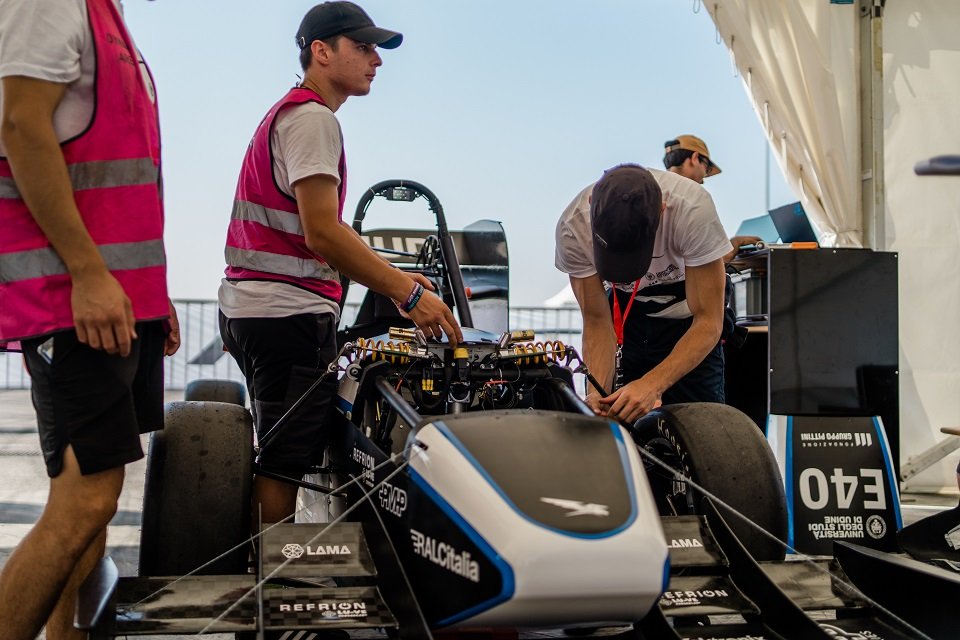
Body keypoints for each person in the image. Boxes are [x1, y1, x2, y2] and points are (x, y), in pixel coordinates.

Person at [219, 1, 462, 529]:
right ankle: (276, 571)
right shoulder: (313, 119)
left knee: (283, 448)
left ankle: (270, 562)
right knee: (285, 461)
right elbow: (323, 234)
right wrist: (409, 295)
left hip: (255, 308)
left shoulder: (289, 114)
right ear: (321, 52)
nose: (378, 59)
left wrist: (393, 277)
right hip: (286, 313)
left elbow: (326, 227)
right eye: (364, 46)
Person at [0, 1, 180, 638]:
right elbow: (20, 126)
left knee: (94, 508)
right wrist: (87, 273)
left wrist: (151, 295)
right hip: (72, 299)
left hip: (118, 301)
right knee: (83, 503)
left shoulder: (106, 15)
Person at [555, 164, 730, 423]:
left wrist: (652, 385)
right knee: (618, 419)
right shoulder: (573, 228)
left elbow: (708, 321)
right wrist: (596, 395)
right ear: (591, 205)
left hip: (687, 317)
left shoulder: (692, 209)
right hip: (627, 318)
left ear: (662, 210)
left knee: (704, 426)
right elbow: (597, 321)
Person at [664, 134, 760, 260]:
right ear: (695, 158)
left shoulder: (653, 190)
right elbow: (714, 259)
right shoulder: (693, 196)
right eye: (707, 169)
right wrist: (736, 242)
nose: (703, 181)